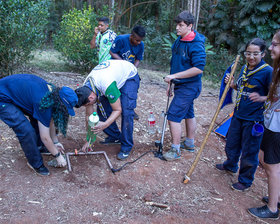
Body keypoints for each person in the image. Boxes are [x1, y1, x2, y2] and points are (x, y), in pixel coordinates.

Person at [215, 38, 273, 191]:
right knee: (232, 142)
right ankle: (230, 164)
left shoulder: (268, 71)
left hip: (254, 119)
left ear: (263, 54)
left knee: (250, 150)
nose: (251, 57)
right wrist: (232, 83)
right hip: (239, 114)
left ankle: (245, 180)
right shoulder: (245, 68)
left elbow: (275, 96)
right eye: (248, 53)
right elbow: (240, 88)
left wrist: (261, 98)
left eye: (255, 54)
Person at [0, 74, 78, 176]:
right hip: (3, 98)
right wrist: (58, 155)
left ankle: (39, 147)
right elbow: (45, 137)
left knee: (39, 120)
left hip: (14, 92)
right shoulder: (43, 102)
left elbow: (50, 121)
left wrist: (55, 142)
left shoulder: (54, 95)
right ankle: (35, 163)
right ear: (61, 103)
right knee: (25, 129)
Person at [162, 11, 206, 161]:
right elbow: (175, 64)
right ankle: (189, 143)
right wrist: (171, 83)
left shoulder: (196, 44)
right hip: (181, 85)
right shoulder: (179, 41)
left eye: (181, 25)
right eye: (177, 24)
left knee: (173, 116)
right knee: (188, 113)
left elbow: (199, 68)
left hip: (190, 86)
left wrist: (174, 77)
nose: (177, 28)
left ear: (190, 26)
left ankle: (175, 150)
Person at [74, 60, 140, 160]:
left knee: (126, 112)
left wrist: (104, 125)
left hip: (129, 76)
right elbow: (89, 117)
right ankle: (115, 137)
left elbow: (118, 110)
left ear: (91, 98)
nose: (88, 106)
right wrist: (90, 140)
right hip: (111, 76)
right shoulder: (86, 88)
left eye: (88, 104)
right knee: (102, 110)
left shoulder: (106, 85)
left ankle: (126, 146)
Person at [248, 31, 280, 220]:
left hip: (276, 127)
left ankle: (272, 208)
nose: (270, 47)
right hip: (270, 123)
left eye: (275, 44)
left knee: (271, 166)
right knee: (269, 161)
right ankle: (276, 198)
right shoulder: (277, 69)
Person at [110, 25, 145, 121]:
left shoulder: (141, 45)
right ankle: (114, 108)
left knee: (132, 86)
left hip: (128, 70)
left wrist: (133, 69)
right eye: (137, 40)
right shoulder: (121, 39)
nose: (139, 43)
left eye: (140, 40)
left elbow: (138, 59)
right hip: (116, 67)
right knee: (116, 88)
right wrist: (123, 63)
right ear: (131, 37)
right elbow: (112, 52)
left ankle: (129, 109)